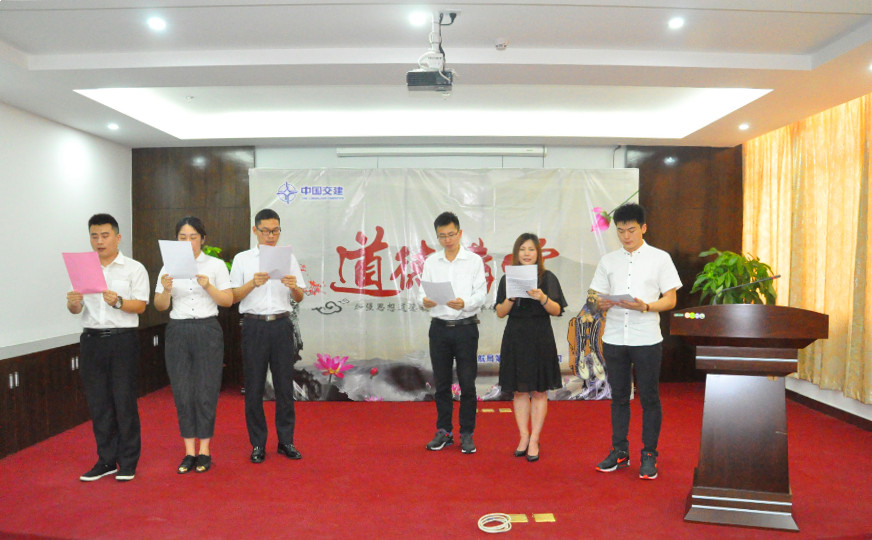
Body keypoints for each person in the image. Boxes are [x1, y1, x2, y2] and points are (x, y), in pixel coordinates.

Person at [589, 203, 681, 480]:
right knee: (618, 397)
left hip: (646, 338)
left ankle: (649, 454)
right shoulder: (608, 261)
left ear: (643, 228)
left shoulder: (660, 258)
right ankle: (619, 451)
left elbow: (671, 299)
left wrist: (647, 306)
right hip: (615, 338)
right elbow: (594, 298)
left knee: (649, 397)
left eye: (631, 230)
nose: (626, 236)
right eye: (620, 231)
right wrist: (600, 303)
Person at [66, 214, 149, 482]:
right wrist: (73, 303)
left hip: (122, 340)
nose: (99, 241)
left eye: (105, 235)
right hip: (91, 341)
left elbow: (141, 306)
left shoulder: (134, 268)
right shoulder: (82, 269)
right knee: (99, 402)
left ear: (117, 237)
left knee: (124, 401)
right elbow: (76, 309)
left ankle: (128, 461)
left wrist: (119, 302)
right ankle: (106, 460)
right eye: (94, 236)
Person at [154, 216, 233, 474]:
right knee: (183, 391)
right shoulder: (167, 267)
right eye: (182, 237)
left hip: (207, 330)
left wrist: (208, 285)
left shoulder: (216, 265)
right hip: (178, 330)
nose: (188, 242)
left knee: (206, 390)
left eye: (193, 237)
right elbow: (160, 306)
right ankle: (189, 451)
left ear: (203, 239)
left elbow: (227, 301)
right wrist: (166, 290)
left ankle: (205, 450)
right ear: (176, 240)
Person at [230, 209, 305, 464]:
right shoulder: (242, 259)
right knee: (254, 387)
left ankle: (286, 441)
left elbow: (299, 297)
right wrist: (252, 283)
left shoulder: (288, 258)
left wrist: (293, 287)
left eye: (275, 231)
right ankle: (258, 443)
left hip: (282, 325)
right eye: (265, 231)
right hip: (254, 326)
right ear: (255, 231)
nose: (271, 236)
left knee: (284, 386)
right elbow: (233, 296)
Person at [418, 211, 487, 454]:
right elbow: (421, 293)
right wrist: (424, 301)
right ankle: (444, 432)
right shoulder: (431, 262)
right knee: (442, 385)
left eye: (451, 234)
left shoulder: (473, 261)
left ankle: (467, 433)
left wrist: (465, 303)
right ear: (437, 237)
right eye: (442, 236)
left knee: (468, 384)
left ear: (459, 233)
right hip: (439, 329)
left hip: (466, 328)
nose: (447, 240)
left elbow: (481, 294)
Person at [495, 233, 567, 462]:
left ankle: (535, 438)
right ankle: (523, 437)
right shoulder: (507, 279)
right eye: (522, 249)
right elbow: (500, 312)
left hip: (540, 337)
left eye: (531, 249)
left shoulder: (547, 278)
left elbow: (557, 310)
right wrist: (511, 298)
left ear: (538, 253)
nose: (526, 253)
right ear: (516, 253)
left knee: (538, 391)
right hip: (515, 337)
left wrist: (542, 297)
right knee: (519, 390)